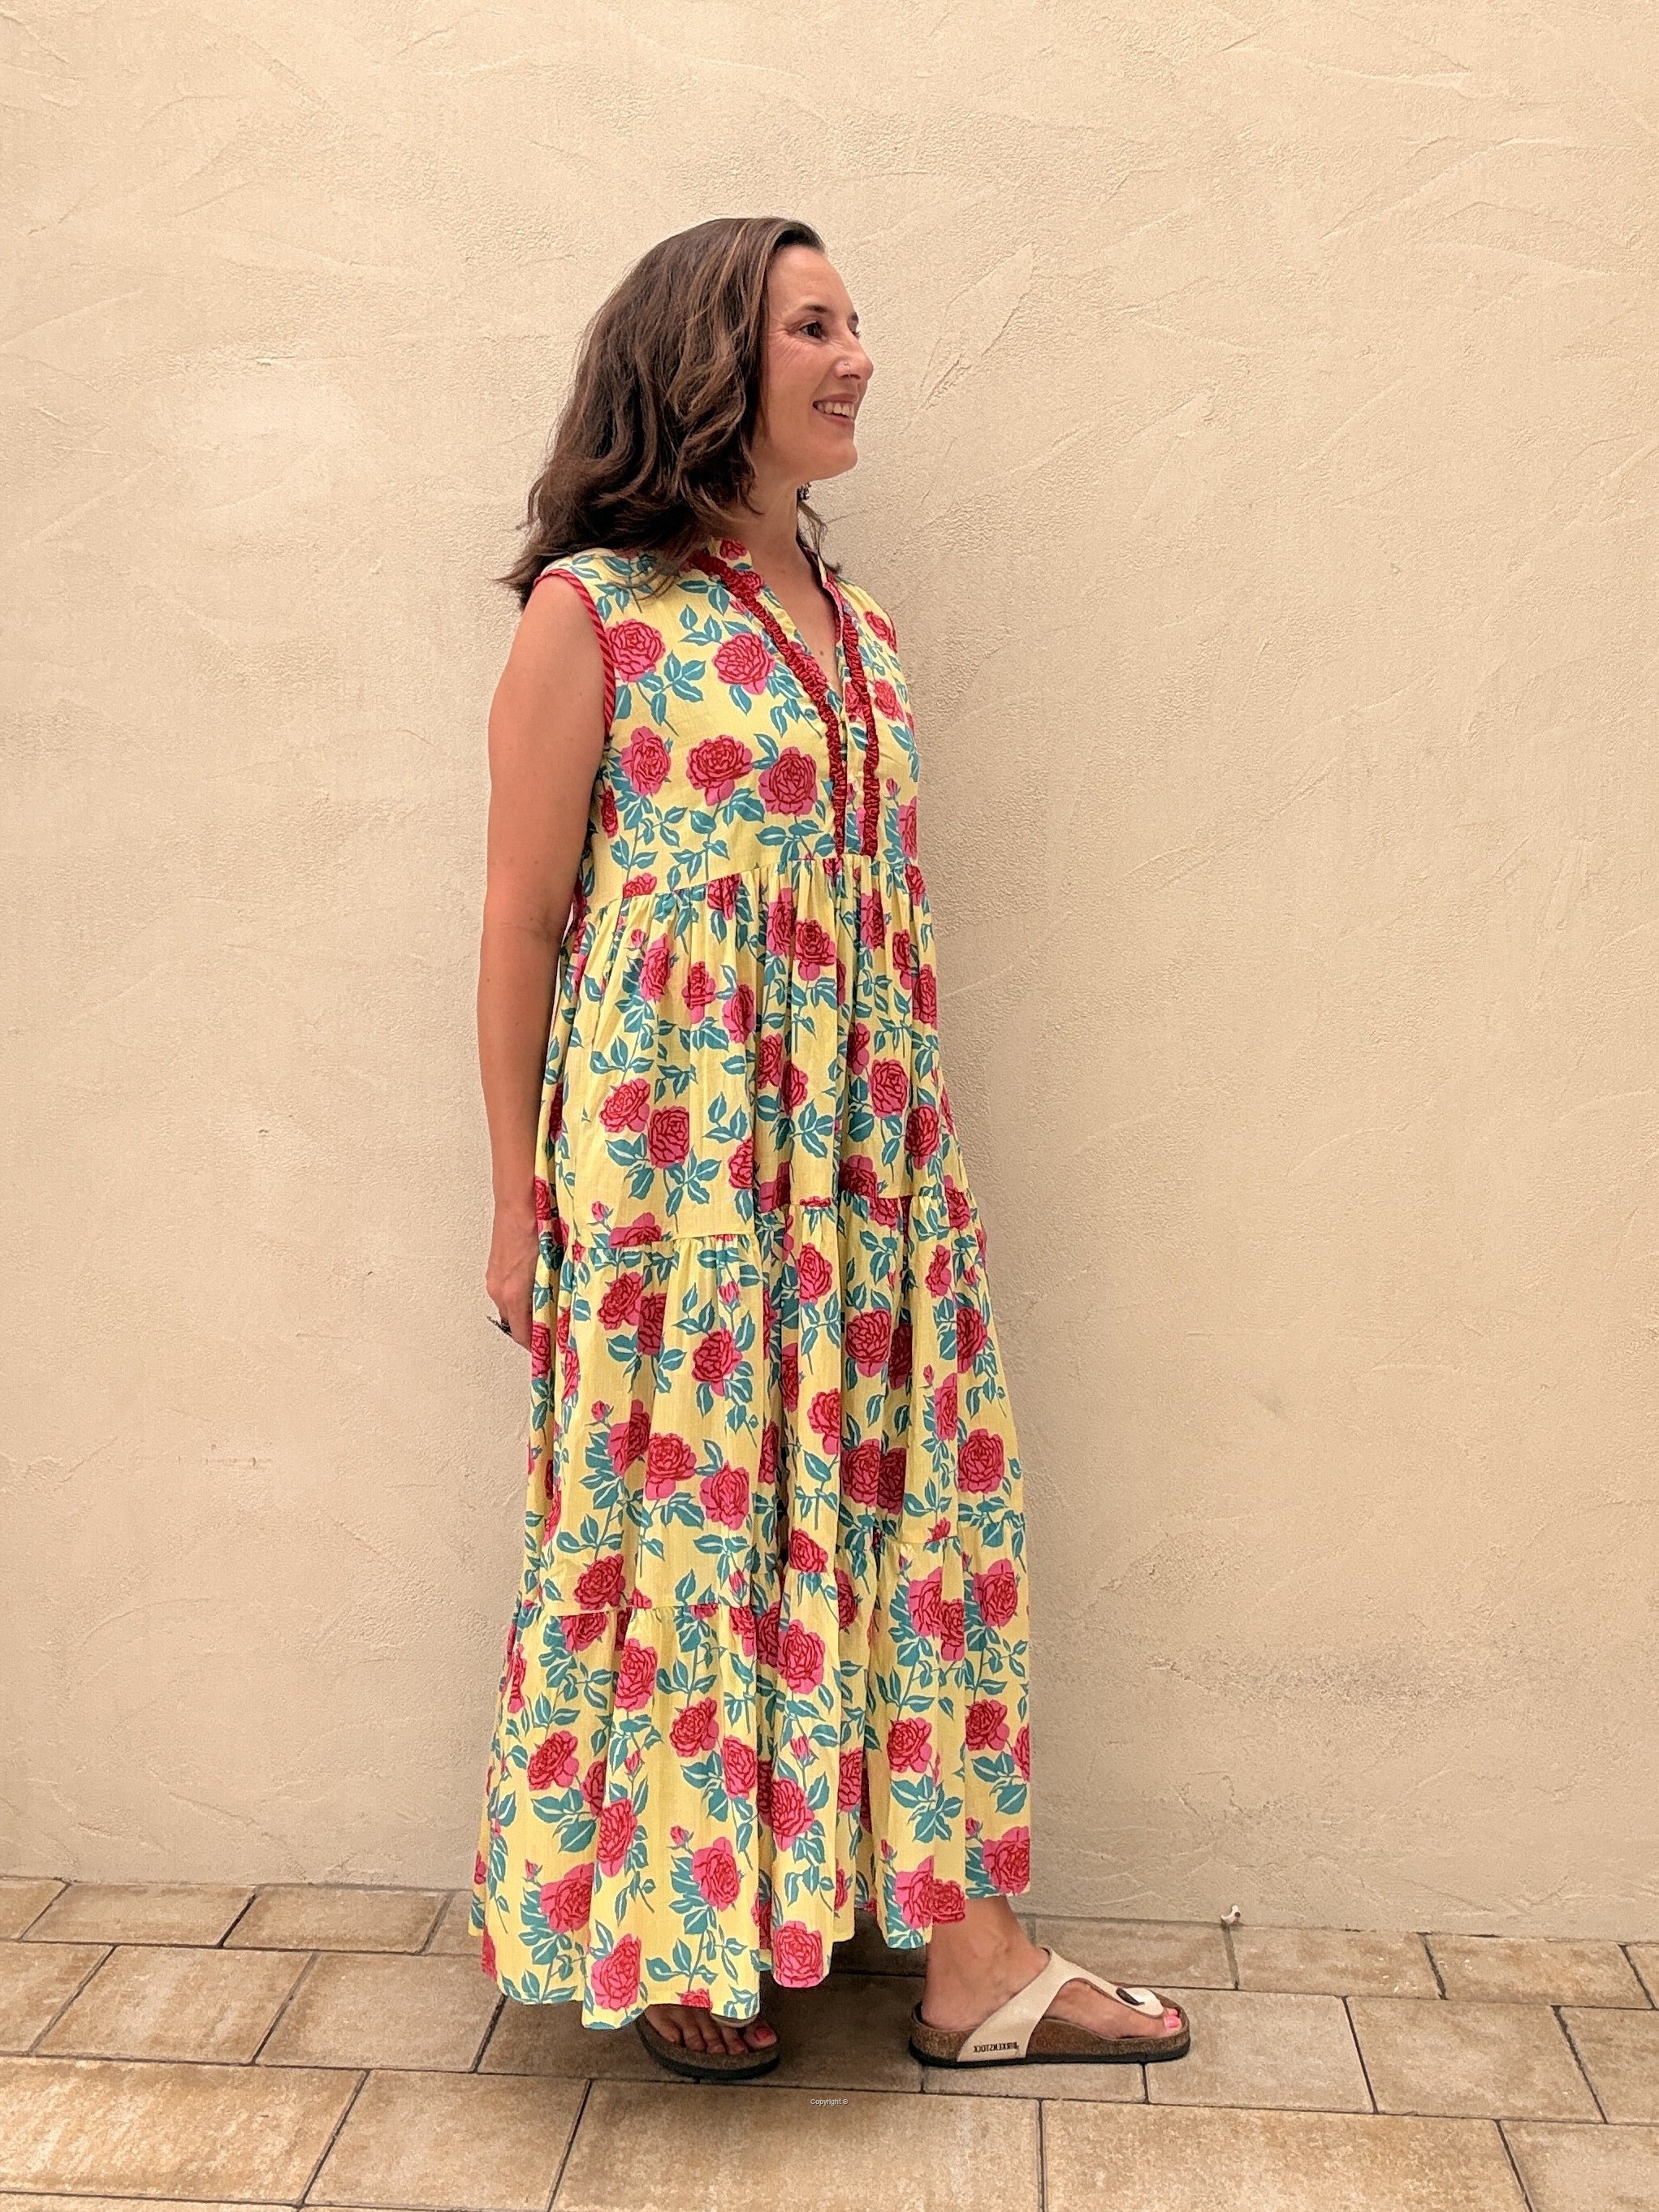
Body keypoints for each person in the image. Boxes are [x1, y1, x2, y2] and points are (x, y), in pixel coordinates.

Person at [469, 214, 1190, 2080]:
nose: (858, 354)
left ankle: (968, 1960)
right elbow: (521, 921)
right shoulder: (595, 610)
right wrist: (513, 1205)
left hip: (867, 1183)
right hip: (681, 1187)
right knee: (695, 1528)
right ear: (708, 360)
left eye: (856, 321)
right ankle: (683, 1928)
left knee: (903, 1523)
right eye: (815, 324)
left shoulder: (858, 627)